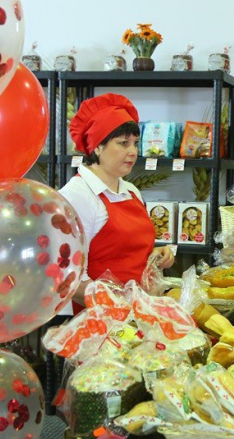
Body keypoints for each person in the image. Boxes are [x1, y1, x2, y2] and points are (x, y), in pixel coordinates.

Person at [59, 93, 175, 314]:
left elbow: (127, 253)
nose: (132, 151)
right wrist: (118, 305)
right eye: (123, 143)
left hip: (138, 313)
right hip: (97, 322)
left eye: (135, 143)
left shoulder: (130, 191)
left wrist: (156, 256)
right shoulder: (77, 196)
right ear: (97, 147)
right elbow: (69, 278)